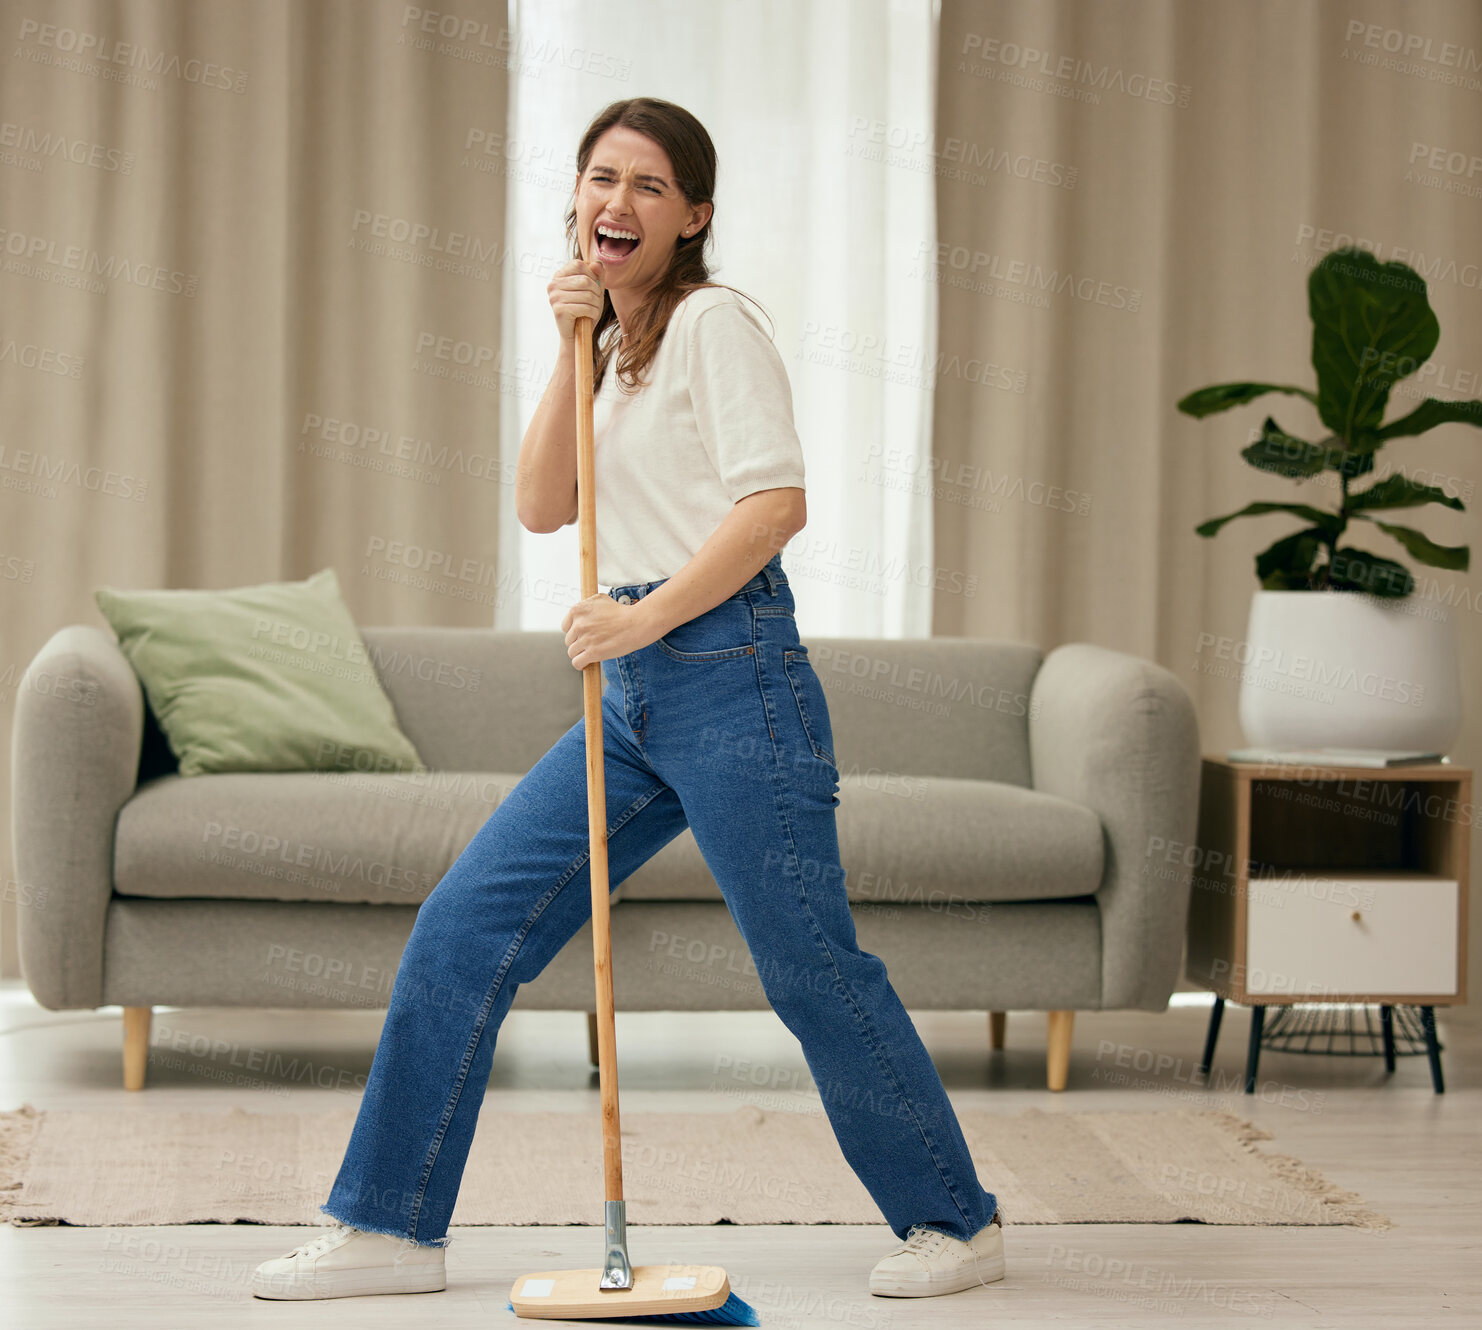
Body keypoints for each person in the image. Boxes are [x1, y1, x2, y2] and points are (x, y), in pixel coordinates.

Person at [252, 95, 1004, 1303]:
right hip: (634, 694)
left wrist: (643, 617)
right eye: (605, 178)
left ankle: (956, 1221)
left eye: (652, 186)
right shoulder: (609, 349)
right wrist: (569, 346)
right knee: (463, 929)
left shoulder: (714, 325)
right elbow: (545, 505)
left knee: (810, 967)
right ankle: (390, 1228)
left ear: (694, 216)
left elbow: (775, 509)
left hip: (735, 677)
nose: (621, 201)